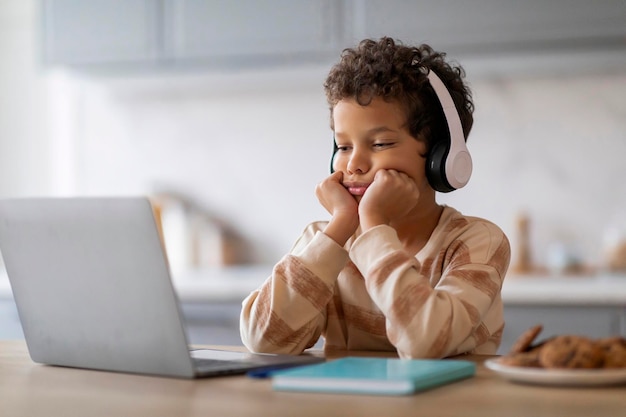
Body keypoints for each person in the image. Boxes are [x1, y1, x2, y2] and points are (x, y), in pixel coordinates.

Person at [240, 37, 511, 359]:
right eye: (343, 147)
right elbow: (264, 340)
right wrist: (341, 226)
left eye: (380, 144)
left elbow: (427, 342)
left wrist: (373, 226)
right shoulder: (327, 243)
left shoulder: (476, 242)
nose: (353, 164)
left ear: (442, 156)